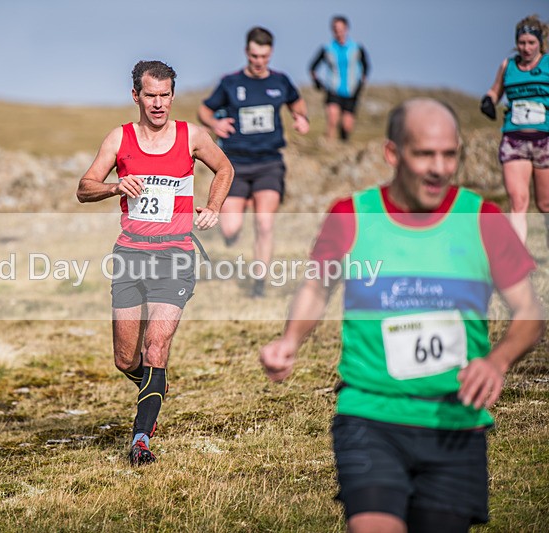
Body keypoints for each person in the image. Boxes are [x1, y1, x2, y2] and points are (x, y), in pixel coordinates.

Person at [260, 98, 545, 532]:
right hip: (371, 414)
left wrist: (497, 360)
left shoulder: (483, 219)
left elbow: (528, 311)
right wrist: (290, 341)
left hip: (455, 421)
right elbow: (317, 288)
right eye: (424, 154)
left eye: (449, 154)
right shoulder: (351, 216)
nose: (439, 167)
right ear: (393, 154)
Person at [77, 60, 233, 466]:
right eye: (151, 95)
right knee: (127, 359)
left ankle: (141, 439)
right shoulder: (119, 138)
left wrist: (213, 206)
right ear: (136, 96)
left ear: (172, 96)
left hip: (176, 254)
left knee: (156, 346)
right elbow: (84, 188)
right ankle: (154, 386)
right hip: (130, 255)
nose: (159, 104)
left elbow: (225, 168)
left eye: (165, 95)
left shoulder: (192, 136)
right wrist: (115, 187)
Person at [198, 26, 309, 298]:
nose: (259, 62)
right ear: (246, 52)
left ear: (270, 55)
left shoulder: (281, 81)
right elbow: (205, 109)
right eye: (254, 56)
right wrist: (214, 123)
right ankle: (244, 201)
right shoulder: (230, 83)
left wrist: (300, 117)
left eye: (264, 57)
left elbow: (298, 103)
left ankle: (259, 284)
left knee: (264, 224)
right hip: (235, 164)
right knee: (230, 229)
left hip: (269, 163)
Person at [481, 14, 549, 245]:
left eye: (531, 42)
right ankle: (517, 259)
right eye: (522, 43)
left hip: (545, 140)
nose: (526, 47)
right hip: (514, 140)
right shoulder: (507, 66)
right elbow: (495, 91)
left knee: (545, 204)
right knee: (518, 201)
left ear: (540, 42)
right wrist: (489, 100)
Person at [309, 15, 370, 142]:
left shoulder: (357, 48)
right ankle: (328, 148)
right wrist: (318, 84)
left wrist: (361, 83)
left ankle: (343, 146)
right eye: (335, 29)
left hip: (352, 90)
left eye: (341, 29)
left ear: (347, 29)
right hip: (333, 89)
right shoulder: (327, 49)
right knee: (332, 119)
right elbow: (312, 68)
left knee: (347, 125)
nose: (338, 32)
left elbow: (366, 67)